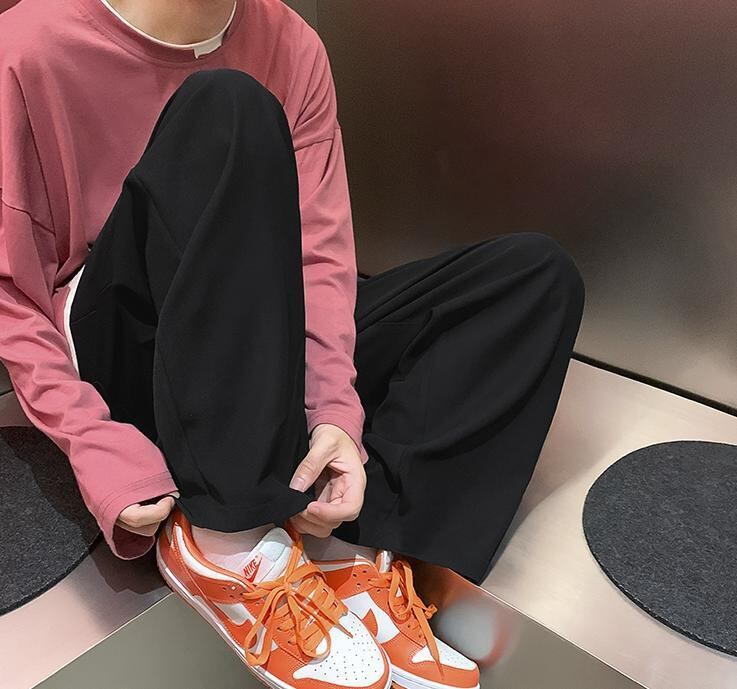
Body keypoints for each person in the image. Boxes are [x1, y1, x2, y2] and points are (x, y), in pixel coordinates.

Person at [0, 0, 585, 688]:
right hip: (128, 356)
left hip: (251, 339)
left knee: (532, 279)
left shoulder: (291, 42)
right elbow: (12, 295)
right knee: (228, 106)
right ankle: (230, 540)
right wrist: (96, 445)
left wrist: (334, 409)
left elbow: (319, 256)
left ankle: (361, 557)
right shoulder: (27, 48)